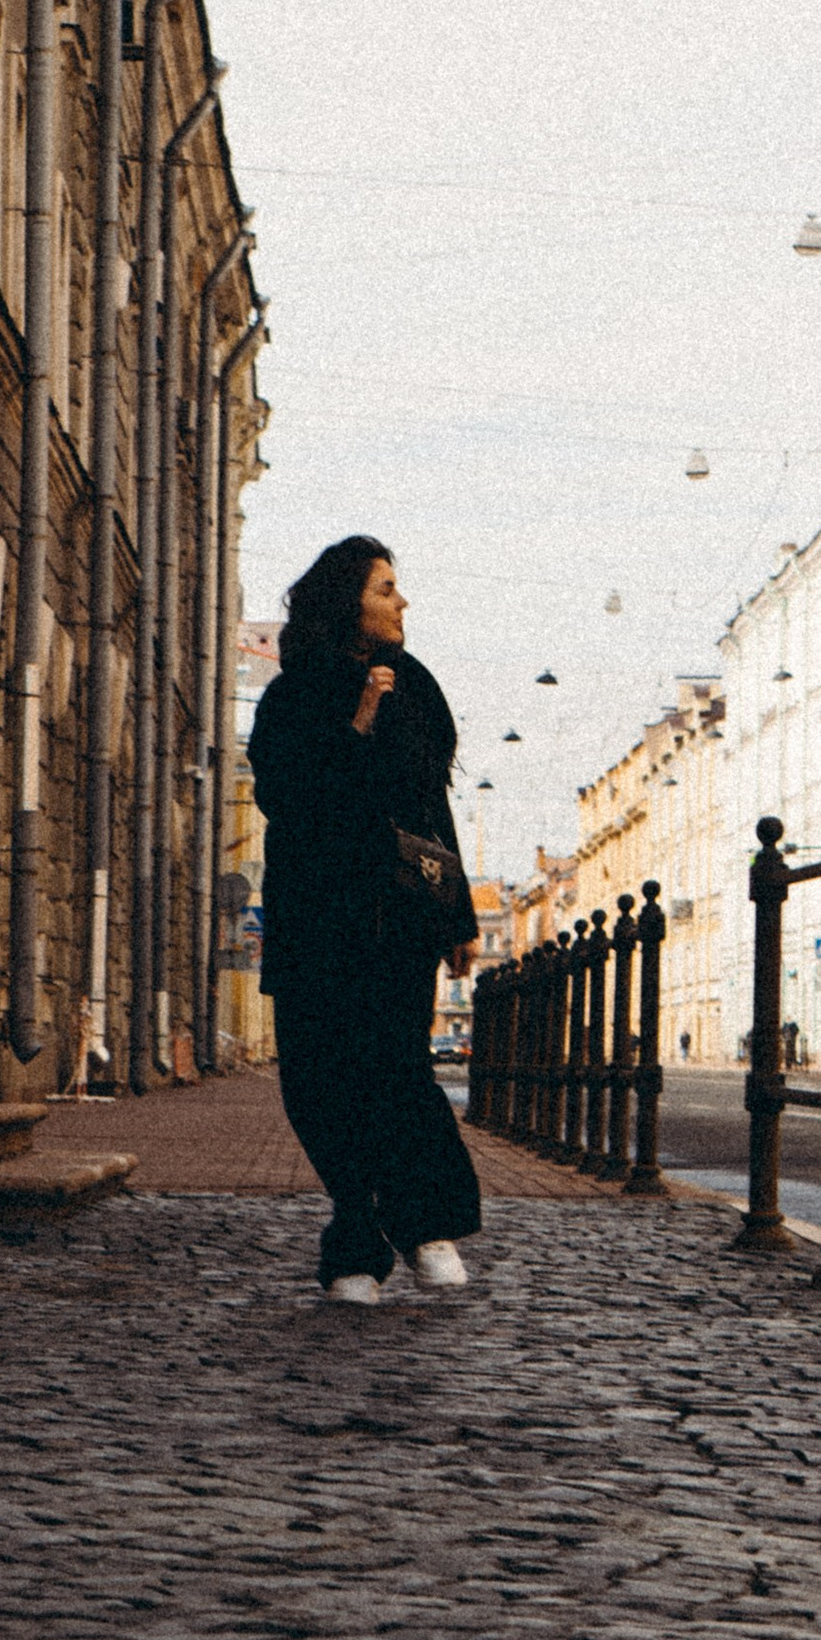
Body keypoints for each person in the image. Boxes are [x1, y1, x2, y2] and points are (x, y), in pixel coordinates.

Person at [246, 535, 485, 1302]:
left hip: (399, 917)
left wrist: (460, 915)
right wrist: (358, 716)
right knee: (319, 1079)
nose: (402, 602)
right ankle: (354, 1231)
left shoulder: (416, 685)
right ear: (349, 600)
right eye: (387, 589)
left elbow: (431, 807)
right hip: (317, 913)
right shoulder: (296, 692)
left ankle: (421, 1226)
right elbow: (286, 798)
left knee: (397, 1069)